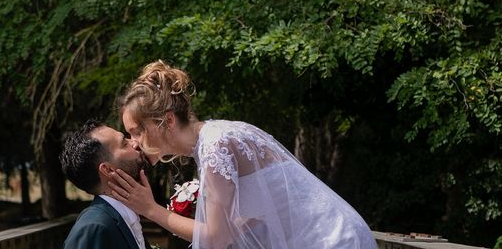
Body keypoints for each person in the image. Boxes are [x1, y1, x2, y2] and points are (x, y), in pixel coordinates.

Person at [108, 60, 378, 249]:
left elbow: (215, 239)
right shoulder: (215, 136)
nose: (134, 143)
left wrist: (150, 209)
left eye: (137, 131)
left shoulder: (215, 147)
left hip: (331, 241)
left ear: (166, 121)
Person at [60, 119, 151, 249]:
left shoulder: (123, 217)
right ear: (108, 170)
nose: (135, 143)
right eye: (125, 143)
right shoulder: (94, 227)